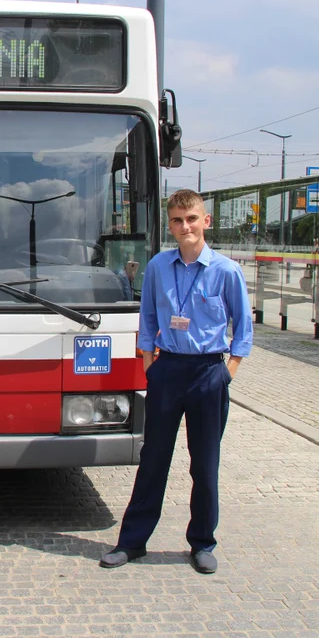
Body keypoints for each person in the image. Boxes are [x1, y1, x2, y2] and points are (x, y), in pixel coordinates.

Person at [100, 189, 252, 575]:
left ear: (206, 221)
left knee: (204, 464)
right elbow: (148, 318)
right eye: (178, 221)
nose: (185, 226)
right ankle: (132, 542)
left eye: (192, 219)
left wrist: (226, 372)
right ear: (170, 225)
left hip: (208, 372)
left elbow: (243, 329)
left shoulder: (226, 271)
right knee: (153, 460)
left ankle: (202, 542)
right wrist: (150, 365)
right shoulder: (158, 267)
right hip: (167, 371)